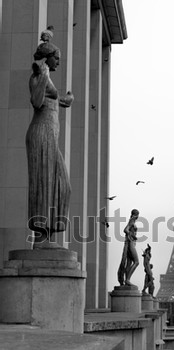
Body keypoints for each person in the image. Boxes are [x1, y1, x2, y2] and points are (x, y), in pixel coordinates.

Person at [26, 26, 73, 247]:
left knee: (62, 185)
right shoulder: (38, 76)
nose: (59, 62)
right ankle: (40, 237)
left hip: (50, 135)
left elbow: (53, 100)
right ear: (48, 58)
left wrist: (66, 100)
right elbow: (36, 101)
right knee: (43, 184)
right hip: (41, 133)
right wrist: (43, 75)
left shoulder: (47, 78)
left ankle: (49, 233)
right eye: (57, 58)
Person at [117, 209, 140, 286]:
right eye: (138, 215)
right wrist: (132, 235)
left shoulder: (132, 220)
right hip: (131, 243)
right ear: (136, 215)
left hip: (131, 242)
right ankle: (127, 279)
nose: (138, 216)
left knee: (129, 263)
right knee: (136, 262)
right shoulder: (132, 220)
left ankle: (127, 280)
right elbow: (125, 230)